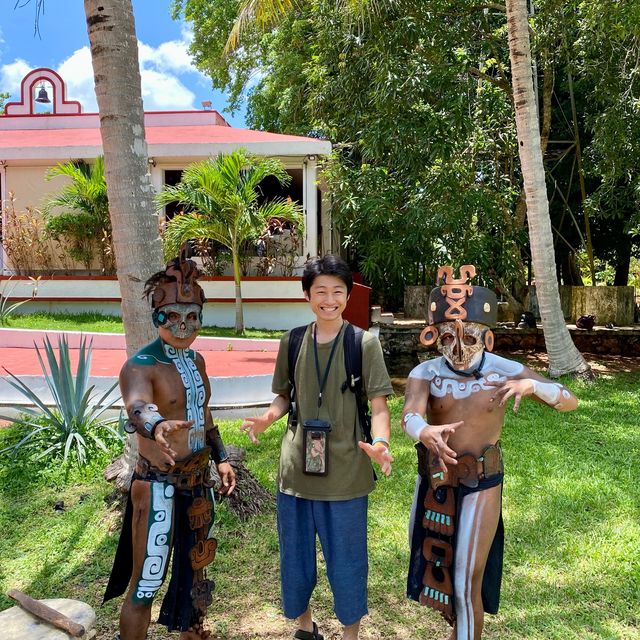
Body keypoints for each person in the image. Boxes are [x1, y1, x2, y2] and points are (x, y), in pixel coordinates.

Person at [402, 264, 577, 640]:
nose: (459, 348)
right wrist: (424, 430)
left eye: (470, 337)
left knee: (466, 579)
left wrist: (534, 388)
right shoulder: (426, 373)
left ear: (489, 338)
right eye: (448, 337)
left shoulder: (507, 370)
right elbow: (410, 415)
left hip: (482, 483)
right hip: (435, 483)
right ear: (432, 335)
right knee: (442, 572)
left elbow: (569, 401)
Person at [240, 255, 394, 640]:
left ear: (347, 295)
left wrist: (381, 442)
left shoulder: (364, 342)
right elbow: (283, 397)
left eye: (337, 291)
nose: (329, 299)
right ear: (307, 295)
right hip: (296, 472)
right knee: (296, 560)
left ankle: (350, 635)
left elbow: (379, 406)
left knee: (348, 563)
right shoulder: (291, 341)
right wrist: (267, 418)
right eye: (320, 291)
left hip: (346, 473)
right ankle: (306, 628)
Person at [103, 250, 236, 640]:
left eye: (191, 316)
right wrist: (155, 424)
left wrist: (222, 458)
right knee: (145, 583)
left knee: (195, 572)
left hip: (197, 484)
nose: (183, 325)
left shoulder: (197, 362)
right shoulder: (140, 365)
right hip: (158, 484)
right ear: (156, 315)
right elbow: (137, 405)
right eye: (172, 316)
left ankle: (192, 634)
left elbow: (204, 415)